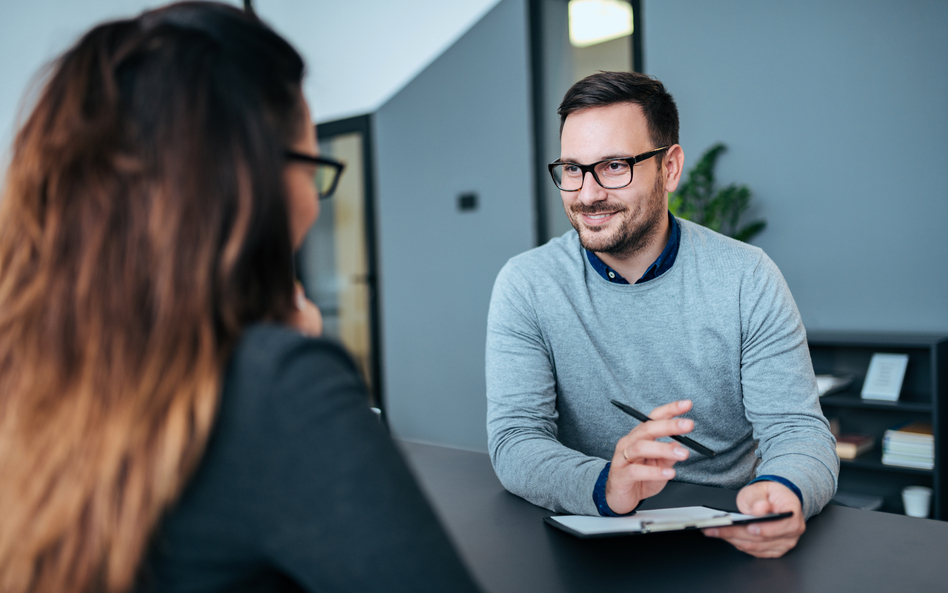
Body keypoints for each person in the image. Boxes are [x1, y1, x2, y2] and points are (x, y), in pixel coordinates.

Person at [0, 3, 480, 592]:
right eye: (312, 167)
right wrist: (292, 366)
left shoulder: (25, 371)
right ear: (249, 182)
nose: (315, 202)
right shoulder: (277, 388)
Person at [486, 71, 838, 558]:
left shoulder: (746, 276)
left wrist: (784, 490)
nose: (587, 194)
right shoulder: (527, 284)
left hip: (727, 531)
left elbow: (797, 430)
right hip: (590, 533)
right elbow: (516, 440)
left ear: (670, 168)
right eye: (572, 168)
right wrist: (606, 483)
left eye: (613, 166)